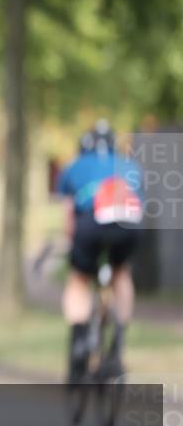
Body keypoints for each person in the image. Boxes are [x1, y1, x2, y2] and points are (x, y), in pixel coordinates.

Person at [56, 120, 143, 384]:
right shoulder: (129, 165)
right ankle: (118, 339)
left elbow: (69, 216)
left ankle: (79, 339)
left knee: (79, 280)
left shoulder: (75, 167)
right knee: (121, 273)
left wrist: (70, 243)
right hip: (128, 224)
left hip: (91, 222)